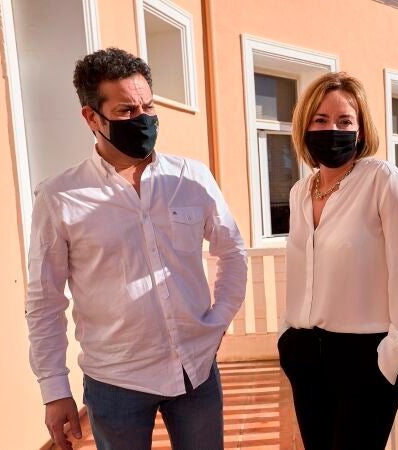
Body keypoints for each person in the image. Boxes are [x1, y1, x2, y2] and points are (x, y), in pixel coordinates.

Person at [25, 48, 247, 450]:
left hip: (195, 372)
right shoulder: (59, 197)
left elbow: (232, 251)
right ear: (92, 117)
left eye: (148, 107)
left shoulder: (191, 177)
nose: (142, 118)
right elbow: (45, 299)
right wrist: (54, 388)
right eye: (126, 111)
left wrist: (218, 321)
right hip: (116, 383)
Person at [278, 72, 398, 449]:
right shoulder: (300, 192)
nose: (332, 129)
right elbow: (300, 273)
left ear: (360, 131)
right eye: (320, 120)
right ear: (304, 126)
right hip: (304, 353)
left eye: (344, 121)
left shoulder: (383, 180)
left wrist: (392, 352)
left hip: (363, 359)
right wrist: (287, 337)